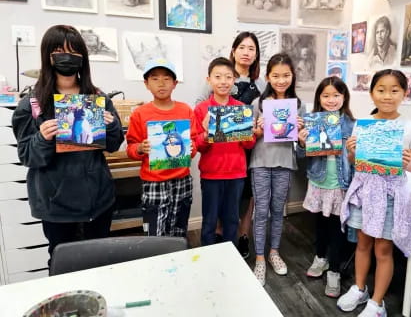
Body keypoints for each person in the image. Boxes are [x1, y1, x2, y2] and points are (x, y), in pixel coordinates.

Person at [11, 25, 124, 263]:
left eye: (73, 51)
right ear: (48, 56)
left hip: (98, 201)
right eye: (59, 51)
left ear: (82, 57)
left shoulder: (97, 98)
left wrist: (111, 125)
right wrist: (42, 137)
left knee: (100, 258)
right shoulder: (32, 104)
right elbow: (27, 156)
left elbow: (113, 145)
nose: (67, 57)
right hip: (57, 206)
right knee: (64, 260)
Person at [337, 69, 411, 317]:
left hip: (389, 197)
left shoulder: (410, 127)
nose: (387, 96)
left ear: (404, 94)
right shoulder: (363, 126)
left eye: (395, 90)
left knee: (383, 249)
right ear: (372, 93)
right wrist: (351, 150)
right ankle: (360, 288)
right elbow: (356, 162)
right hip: (364, 192)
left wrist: (408, 163)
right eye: (381, 90)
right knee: (362, 243)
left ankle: (377, 303)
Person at [195, 32, 266, 258]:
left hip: (236, 173)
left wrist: (248, 132)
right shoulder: (202, 109)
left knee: (232, 218)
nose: (223, 81)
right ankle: (208, 257)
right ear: (209, 80)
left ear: (234, 80)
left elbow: (249, 143)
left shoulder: (241, 109)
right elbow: (198, 145)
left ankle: (230, 259)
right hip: (211, 173)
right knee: (209, 220)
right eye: (218, 77)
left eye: (228, 77)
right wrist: (206, 134)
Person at [250, 53, 305, 286]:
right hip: (261, 162)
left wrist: (302, 134)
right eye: (276, 75)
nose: (281, 80)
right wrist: (258, 130)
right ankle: (260, 259)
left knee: (277, 210)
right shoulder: (258, 104)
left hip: (284, 162)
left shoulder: (298, 105)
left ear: (292, 77)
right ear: (267, 77)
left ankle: (274, 252)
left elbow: (303, 143)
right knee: (261, 211)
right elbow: (247, 138)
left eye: (286, 75)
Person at [125, 58, 198, 237]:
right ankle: (156, 261)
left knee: (179, 228)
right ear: (146, 84)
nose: (161, 83)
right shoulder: (140, 114)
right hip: (153, 181)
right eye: (155, 78)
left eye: (166, 78)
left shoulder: (185, 110)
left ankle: (179, 258)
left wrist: (191, 148)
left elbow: (194, 143)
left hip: (182, 179)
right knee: (154, 231)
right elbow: (131, 148)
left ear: (174, 84)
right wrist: (140, 148)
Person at [297, 76, 355, 297]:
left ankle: (334, 271)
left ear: (344, 97)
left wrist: (351, 149)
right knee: (320, 224)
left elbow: (356, 159)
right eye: (326, 95)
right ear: (319, 98)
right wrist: (302, 142)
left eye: (336, 95)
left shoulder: (352, 124)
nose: (331, 100)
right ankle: (320, 258)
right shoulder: (312, 121)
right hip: (318, 181)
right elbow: (302, 155)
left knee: (337, 229)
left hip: (340, 185)